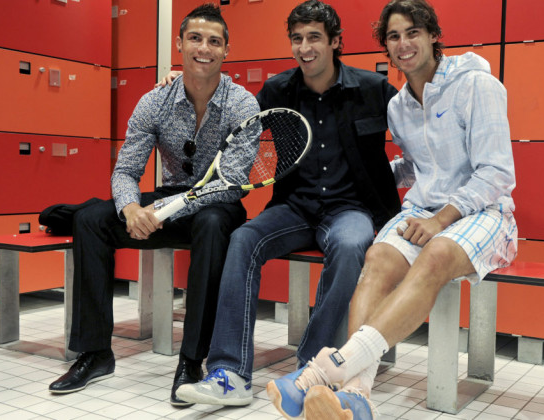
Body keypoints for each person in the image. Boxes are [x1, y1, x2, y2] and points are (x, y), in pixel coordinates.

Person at [265, 0, 518, 418]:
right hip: (425, 210)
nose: (403, 44)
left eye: (413, 32)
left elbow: (495, 173)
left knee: (435, 254)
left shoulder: (476, 85)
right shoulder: (399, 105)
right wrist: (366, 170)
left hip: (484, 212)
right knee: (377, 257)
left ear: (434, 35)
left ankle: (326, 369)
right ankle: (357, 395)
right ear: (385, 46)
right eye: (394, 36)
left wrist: (441, 219)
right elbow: (417, 166)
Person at [171, 0, 401, 408]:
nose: (304, 47)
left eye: (314, 37)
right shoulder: (277, 90)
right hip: (295, 207)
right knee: (243, 239)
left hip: (352, 208)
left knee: (350, 247)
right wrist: (180, 89)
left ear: (335, 42)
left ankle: (311, 369)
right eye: (297, 39)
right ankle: (230, 374)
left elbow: (418, 130)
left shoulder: (373, 89)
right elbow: (229, 119)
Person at [47, 4, 260, 409]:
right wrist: (130, 210)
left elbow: (229, 185)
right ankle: (95, 354)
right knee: (91, 219)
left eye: (214, 41)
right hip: (169, 199)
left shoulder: (242, 105)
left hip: (216, 205)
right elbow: (125, 170)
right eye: (195, 38)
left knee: (213, 225)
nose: (204, 48)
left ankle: (192, 361)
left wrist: (161, 213)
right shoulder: (154, 100)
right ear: (179, 44)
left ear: (227, 50)